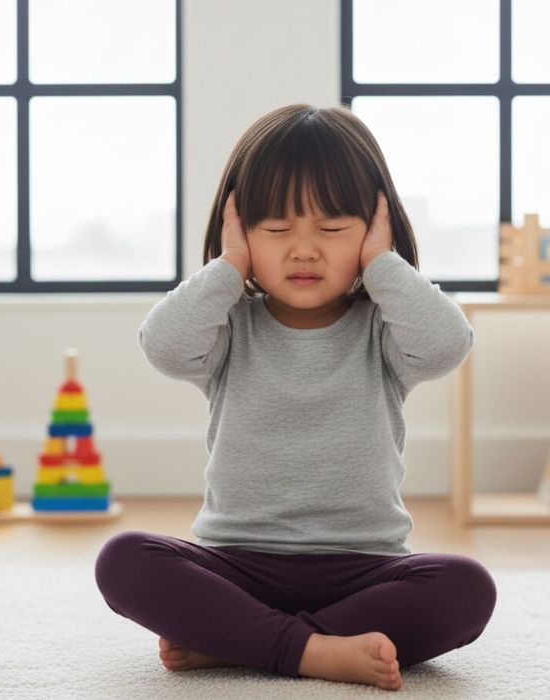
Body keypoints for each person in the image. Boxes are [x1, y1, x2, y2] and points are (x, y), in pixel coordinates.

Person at [94, 103, 497, 692]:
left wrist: (384, 266)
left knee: (467, 588)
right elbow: (162, 345)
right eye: (277, 230)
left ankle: (239, 642)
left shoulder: (384, 328)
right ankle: (311, 648)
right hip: (237, 564)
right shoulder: (230, 325)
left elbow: (448, 345)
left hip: (363, 566)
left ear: (373, 228)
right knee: (123, 560)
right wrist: (228, 267)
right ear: (242, 231)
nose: (303, 250)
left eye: (331, 230)